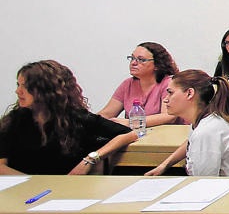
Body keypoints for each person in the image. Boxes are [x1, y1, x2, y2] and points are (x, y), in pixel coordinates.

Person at [0, 60, 137, 175]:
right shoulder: (14, 120)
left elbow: (129, 134)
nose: (18, 91)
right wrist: (31, 183)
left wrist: (90, 159)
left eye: (25, 86)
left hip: (66, 191)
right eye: (18, 85)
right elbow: (1, 166)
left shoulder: (75, 118)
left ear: (45, 90)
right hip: (24, 193)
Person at [145, 70, 229, 177]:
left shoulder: (207, 130)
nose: (165, 99)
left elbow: (203, 181)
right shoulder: (205, 121)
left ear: (190, 93)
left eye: (170, 93)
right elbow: (190, 142)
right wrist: (164, 165)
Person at [99, 42, 183, 127]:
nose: (133, 63)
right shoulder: (127, 84)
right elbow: (107, 113)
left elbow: (169, 116)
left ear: (157, 65)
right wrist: (87, 120)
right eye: (132, 58)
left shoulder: (169, 84)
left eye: (141, 60)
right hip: (137, 137)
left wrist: (131, 123)